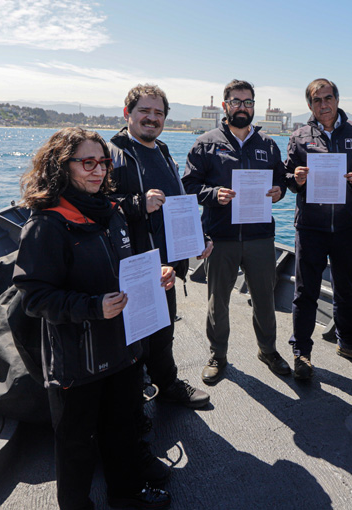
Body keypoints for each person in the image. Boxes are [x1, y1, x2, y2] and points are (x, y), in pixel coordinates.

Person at [13, 128, 171, 510]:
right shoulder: (46, 226)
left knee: (122, 427)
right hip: (77, 360)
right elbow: (34, 297)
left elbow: (120, 269)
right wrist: (92, 307)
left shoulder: (112, 213)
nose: (98, 171)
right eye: (87, 163)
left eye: (103, 162)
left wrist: (153, 279)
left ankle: (127, 493)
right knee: (76, 444)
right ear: (61, 166)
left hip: (123, 347)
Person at [109, 84, 212, 409]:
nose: (151, 119)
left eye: (158, 113)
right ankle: (132, 395)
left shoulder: (164, 152)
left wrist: (198, 237)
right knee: (133, 335)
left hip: (164, 264)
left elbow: (179, 204)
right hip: (131, 264)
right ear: (128, 113)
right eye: (144, 111)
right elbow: (98, 206)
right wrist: (138, 203)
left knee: (163, 328)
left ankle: (166, 383)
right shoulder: (112, 154)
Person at [182, 79, 290, 385]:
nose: (242, 107)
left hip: (259, 236)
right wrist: (214, 194)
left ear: (254, 107)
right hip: (221, 237)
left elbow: (281, 178)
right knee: (218, 300)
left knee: (264, 298)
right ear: (224, 106)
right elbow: (188, 185)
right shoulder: (205, 143)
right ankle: (218, 354)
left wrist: (280, 190)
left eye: (248, 102)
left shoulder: (267, 144)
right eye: (236, 102)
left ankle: (268, 350)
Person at [285, 79, 352, 380]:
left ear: (337, 99)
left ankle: (349, 344)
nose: (323, 105)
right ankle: (301, 352)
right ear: (310, 105)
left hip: (347, 227)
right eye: (317, 100)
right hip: (311, 227)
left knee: (345, 289)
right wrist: (296, 178)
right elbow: (287, 177)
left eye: (328, 98)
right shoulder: (300, 137)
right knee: (305, 292)